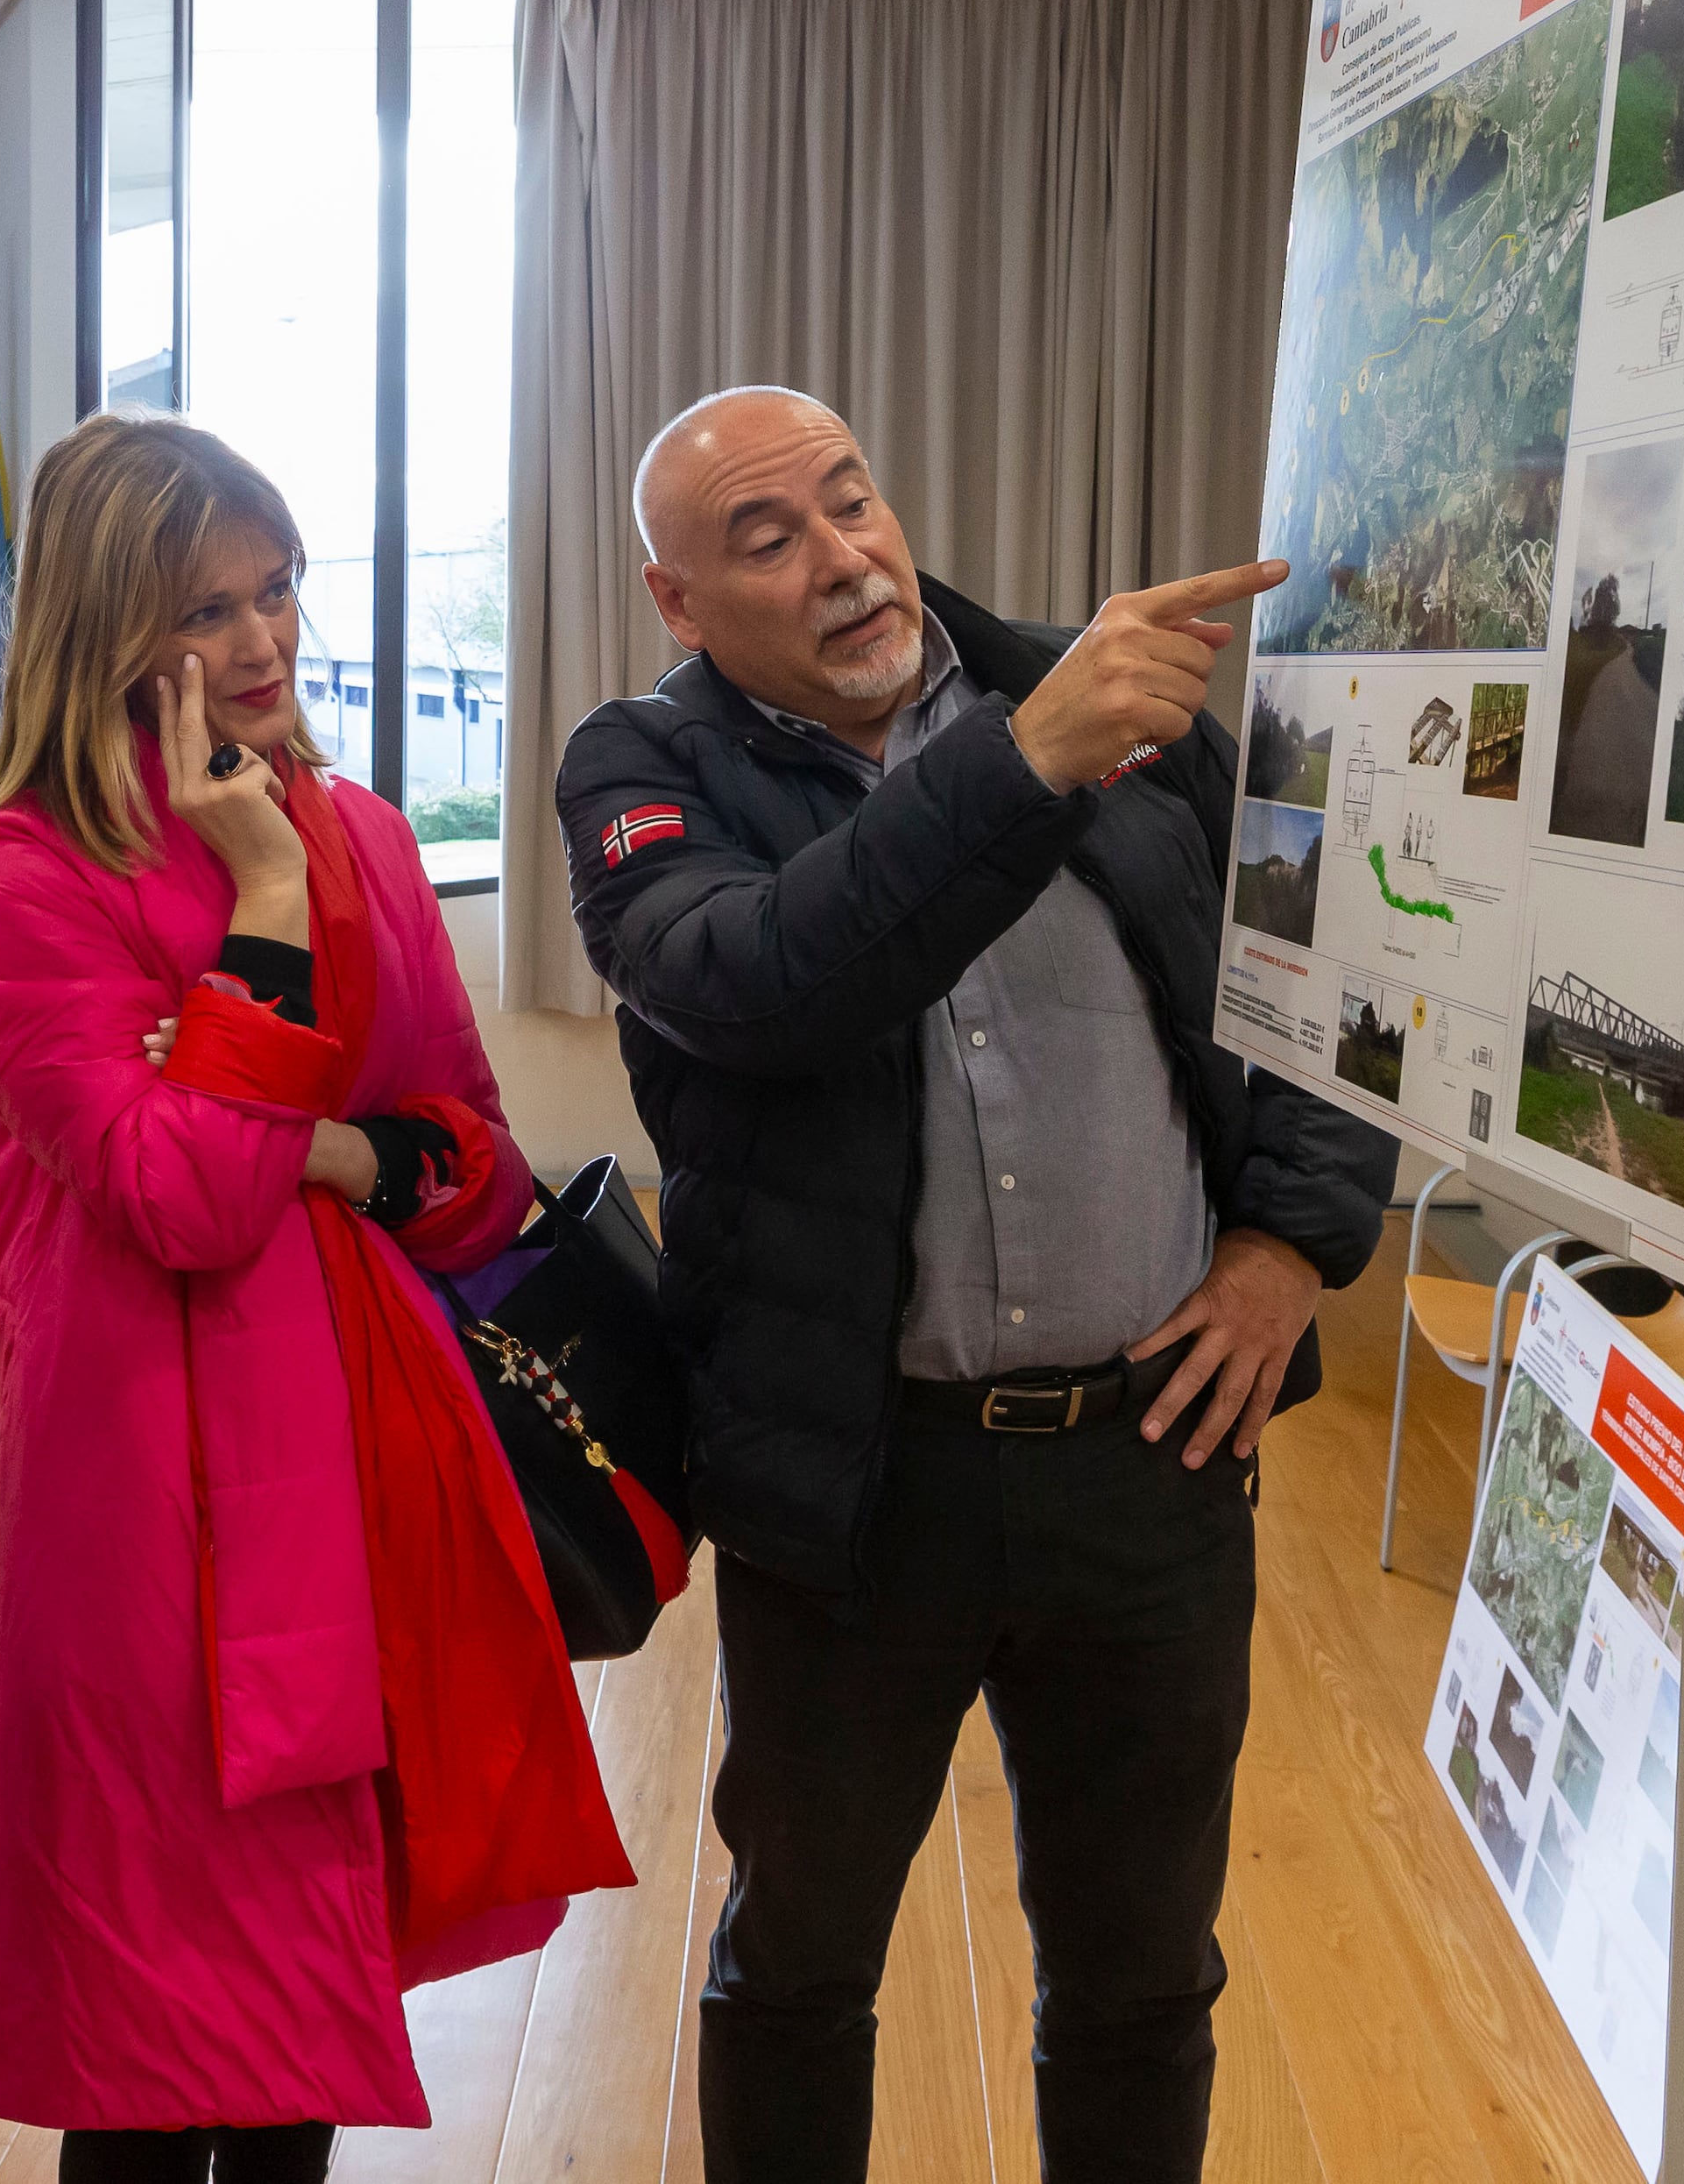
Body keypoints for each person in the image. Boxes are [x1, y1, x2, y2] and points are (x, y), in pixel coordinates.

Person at [554, 387, 1394, 2184]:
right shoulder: (642, 770)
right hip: (852, 1483)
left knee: (1141, 1976)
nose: (842, 557)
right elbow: (765, 979)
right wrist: (1018, 766)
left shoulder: (1113, 704)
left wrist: (1286, 1244)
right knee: (797, 1962)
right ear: (680, 602)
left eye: (849, 501)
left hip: (1151, 1457)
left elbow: (1317, 979)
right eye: (765, 539)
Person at [0, 415, 628, 2182]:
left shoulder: (371, 836)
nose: (259, 642)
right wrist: (256, 914)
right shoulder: (24, 873)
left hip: (357, 1466)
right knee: (163, 2026)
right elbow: (173, 1197)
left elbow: (473, 1164)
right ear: (105, 628)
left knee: (309, 1992)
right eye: (204, 608)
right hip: (141, 1520)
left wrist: (330, 1152)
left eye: (277, 589)